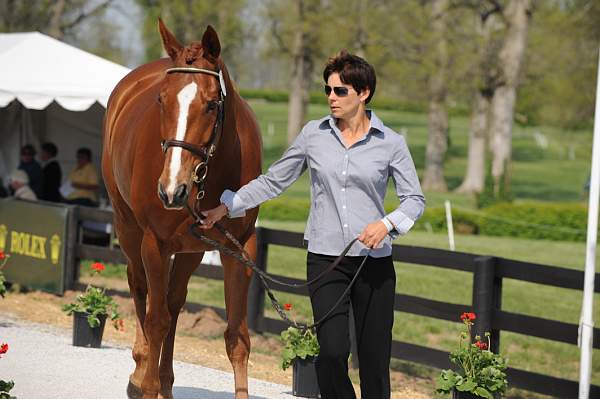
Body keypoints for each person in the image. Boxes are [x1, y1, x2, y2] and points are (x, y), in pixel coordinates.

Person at [201, 51, 425, 398]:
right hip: (326, 259)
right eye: (328, 90)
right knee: (333, 352)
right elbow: (274, 180)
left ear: (363, 93)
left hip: (374, 263)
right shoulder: (313, 135)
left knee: (374, 360)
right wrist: (226, 207)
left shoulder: (391, 143)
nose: (331, 98)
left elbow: (415, 200)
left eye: (340, 91)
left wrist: (387, 224)